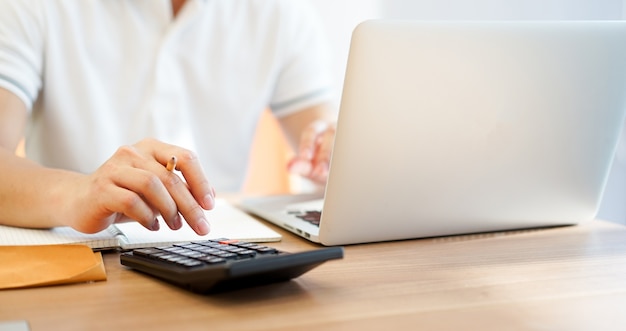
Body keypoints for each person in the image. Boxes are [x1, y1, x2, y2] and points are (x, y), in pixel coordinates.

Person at [0, 0, 337, 235]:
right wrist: (78, 192)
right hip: (83, 252)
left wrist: (335, 150)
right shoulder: (32, 6)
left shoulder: (283, 13)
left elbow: (326, 141)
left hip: (222, 247)